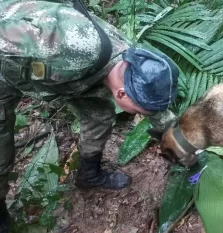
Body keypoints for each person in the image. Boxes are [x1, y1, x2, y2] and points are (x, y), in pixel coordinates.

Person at [0, 0, 179, 231]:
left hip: (67, 79)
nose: (143, 115)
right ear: (122, 93)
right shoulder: (73, 48)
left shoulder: (133, 63)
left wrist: (181, 142)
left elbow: (155, 109)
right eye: (140, 112)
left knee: (99, 116)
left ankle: (88, 174)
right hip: (6, 71)